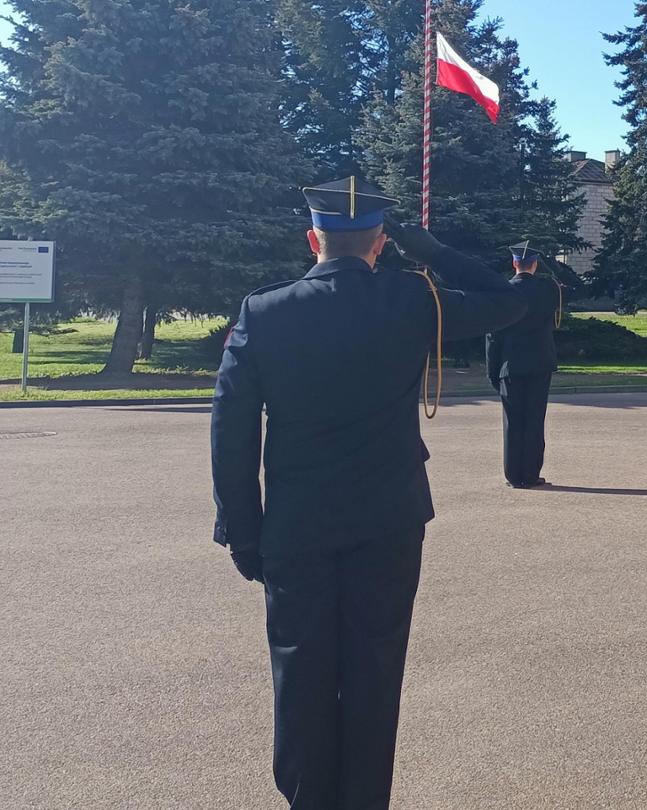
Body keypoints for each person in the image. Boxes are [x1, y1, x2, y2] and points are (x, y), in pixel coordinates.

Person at [211, 177, 528, 807]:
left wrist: (243, 531)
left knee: (299, 673)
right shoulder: (412, 300)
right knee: (374, 674)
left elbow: (232, 429)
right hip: (388, 524)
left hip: (296, 530)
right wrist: (426, 246)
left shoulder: (265, 311)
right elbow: (510, 298)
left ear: (313, 239)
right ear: (380, 244)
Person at [487, 241, 564, 489]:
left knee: (513, 422)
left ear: (513, 263)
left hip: (510, 366)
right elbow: (561, 285)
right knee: (534, 420)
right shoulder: (549, 290)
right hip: (540, 363)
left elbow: (493, 336)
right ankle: (531, 474)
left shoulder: (503, 293)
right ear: (535, 264)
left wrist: (492, 372)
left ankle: (513, 475)